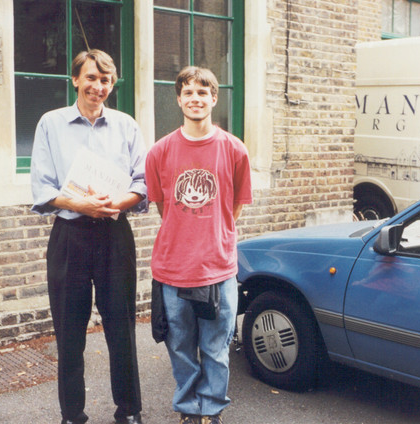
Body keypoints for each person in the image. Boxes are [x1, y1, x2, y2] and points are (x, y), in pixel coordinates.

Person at [30, 49, 145, 424]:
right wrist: (83, 205)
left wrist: (115, 202)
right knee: (69, 331)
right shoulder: (50, 123)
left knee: (121, 326)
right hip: (70, 237)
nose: (99, 86)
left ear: (113, 85)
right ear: (75, 79)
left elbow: (142, 184)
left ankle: (128, 410)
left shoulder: (127, 125)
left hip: (114, 234)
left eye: (106, 80)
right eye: (91, 78)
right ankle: (71, 414)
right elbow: (43, 190)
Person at [145, 66, 252, 424]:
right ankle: (189, 410)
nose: (195, 99)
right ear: (178, 99)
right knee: (180, 346)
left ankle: (213, 408)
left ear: (214, 99)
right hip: (173, 266)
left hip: (218, 267)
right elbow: (163, 205)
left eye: (202, 93)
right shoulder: (159, 152)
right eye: (188, 92)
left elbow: (234, 206)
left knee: (216, 347)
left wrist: (213, 234)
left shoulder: (234, 150)